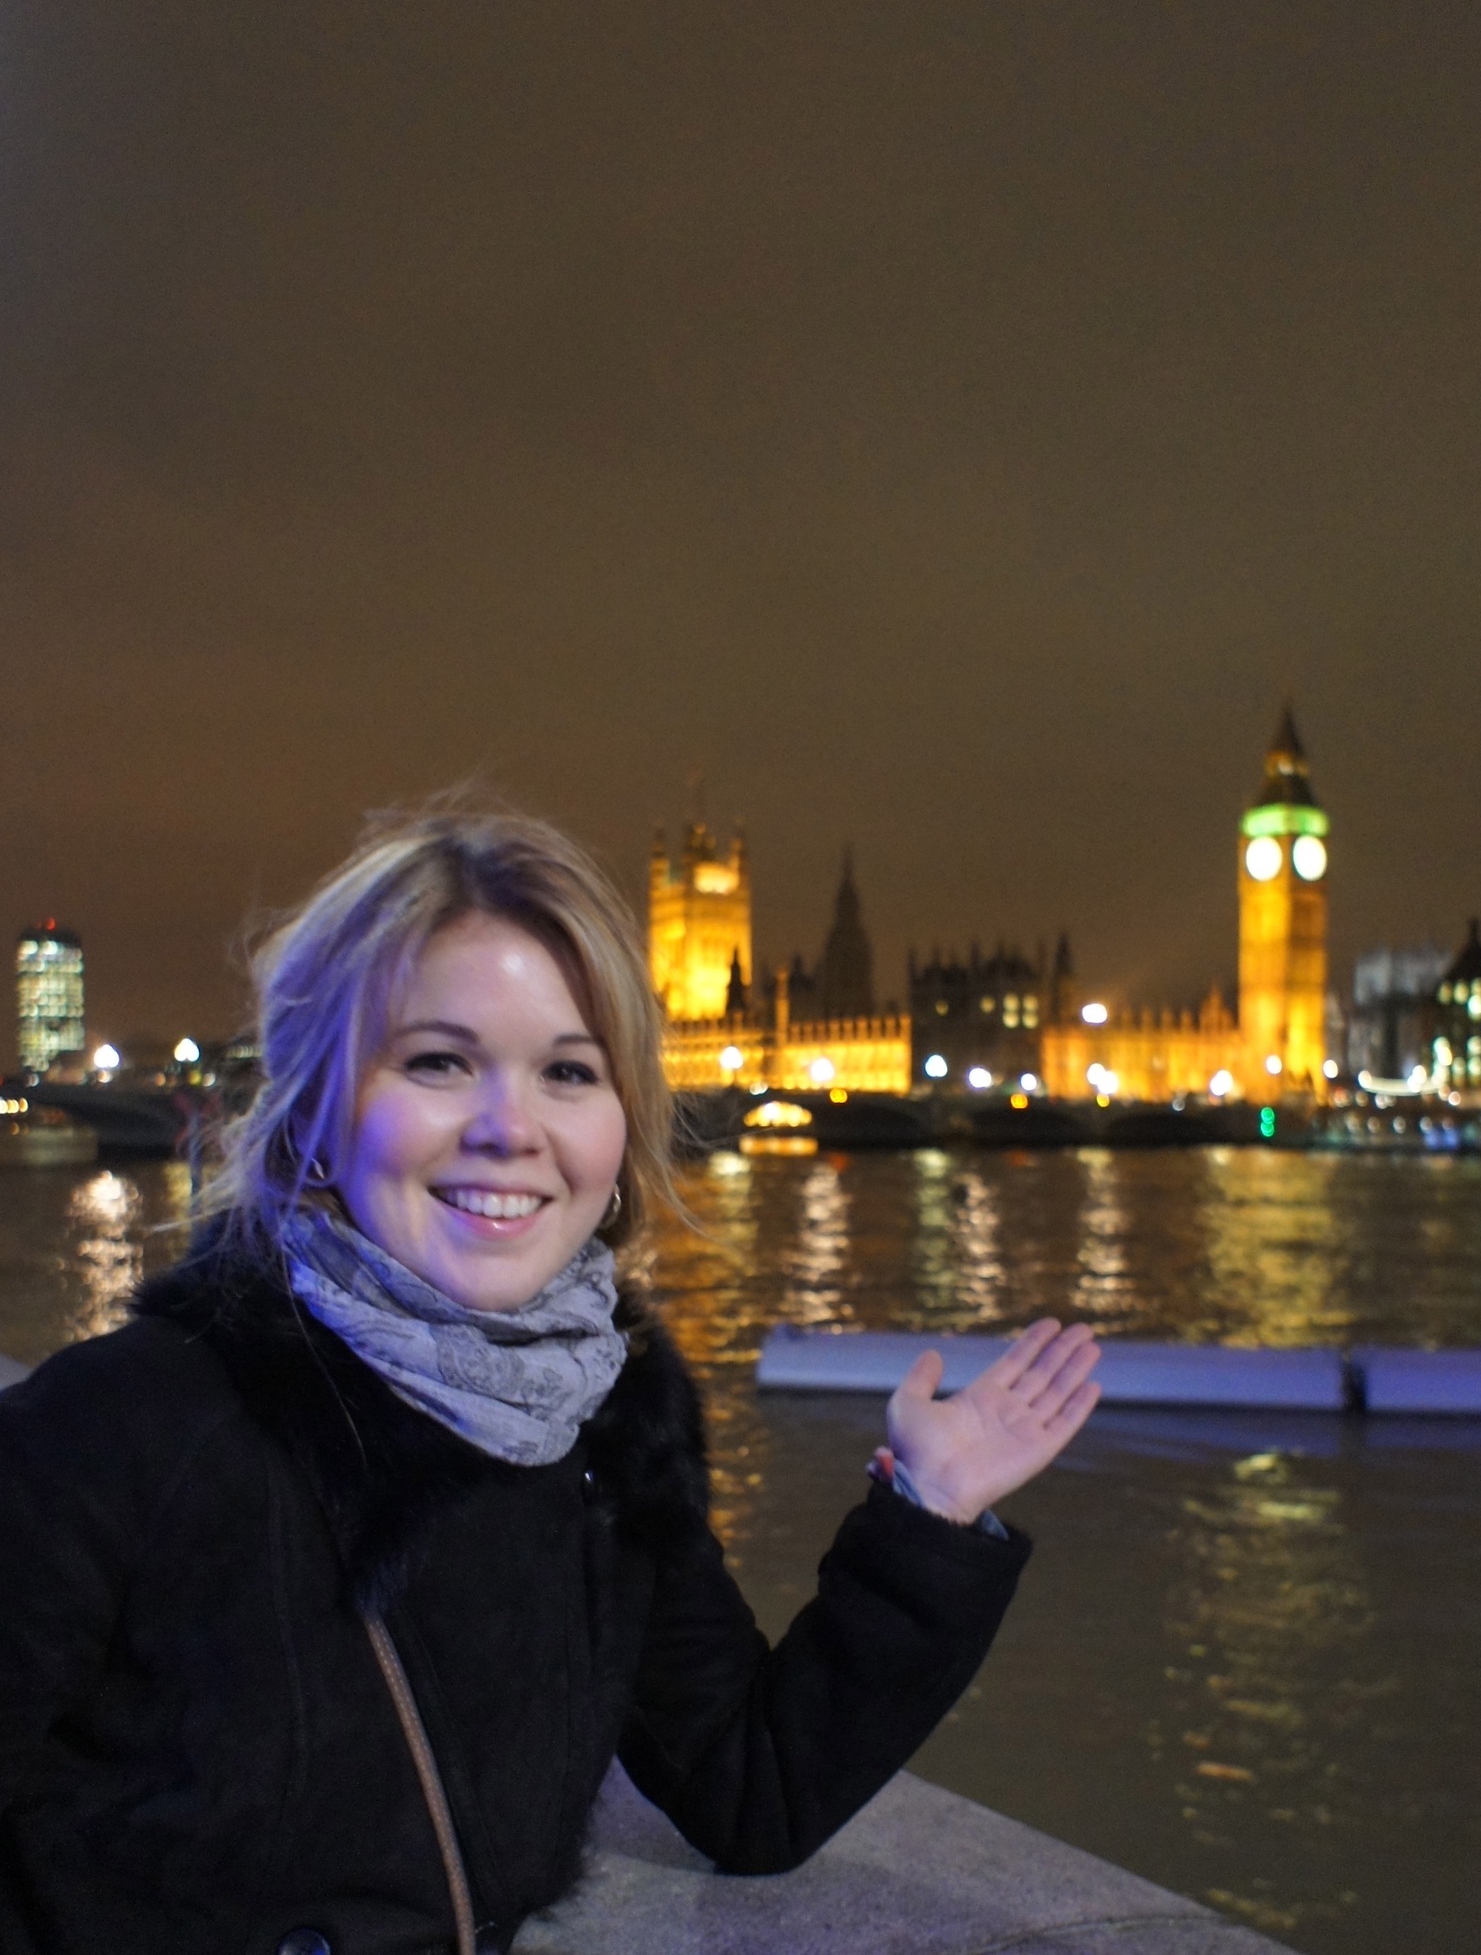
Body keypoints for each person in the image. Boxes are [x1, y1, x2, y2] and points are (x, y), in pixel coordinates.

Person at [0, 806, 1100, 1955]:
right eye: (439, 1060)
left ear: (621, 1127)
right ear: (317, 1109)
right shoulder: (117, 1434)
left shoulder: (606, 1430)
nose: (510, 1127)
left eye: (569, 1070)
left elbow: (753, 1785)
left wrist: (927, 1512)